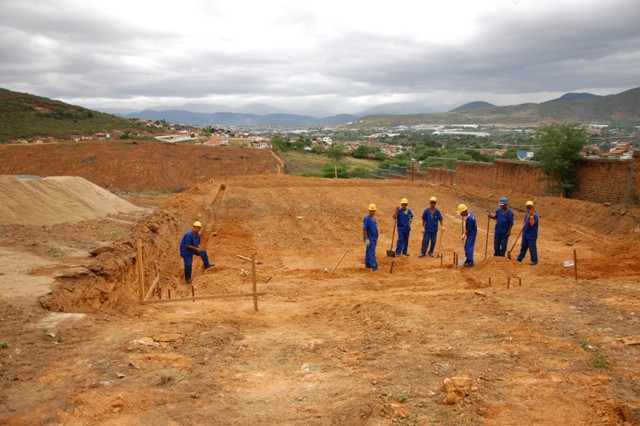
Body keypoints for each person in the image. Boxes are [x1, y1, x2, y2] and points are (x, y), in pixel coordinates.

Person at [517, 201, 539, 265]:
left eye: (529, 207)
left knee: (532, 248)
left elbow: (532, 224)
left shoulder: (535, 216)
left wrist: (531, 216)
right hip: (525, 235)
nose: (528, 209)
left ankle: (534, 261)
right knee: (523, 248)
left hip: (532, 236)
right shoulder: (526, 215)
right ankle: (519, 258)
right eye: (527, 207)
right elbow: (525, 224)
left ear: (532, 208)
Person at [363, 203, 379, 271]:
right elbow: (364, 229)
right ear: (369, 211)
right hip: (370, 238)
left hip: (373, 238)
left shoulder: (374, 219)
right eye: (371, 211)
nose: (372, 212)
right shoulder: (367, 218)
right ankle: (374, 266)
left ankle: (368, 263)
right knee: (372, 252)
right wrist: (366, 239)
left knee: (368, 250)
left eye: (373, 211)